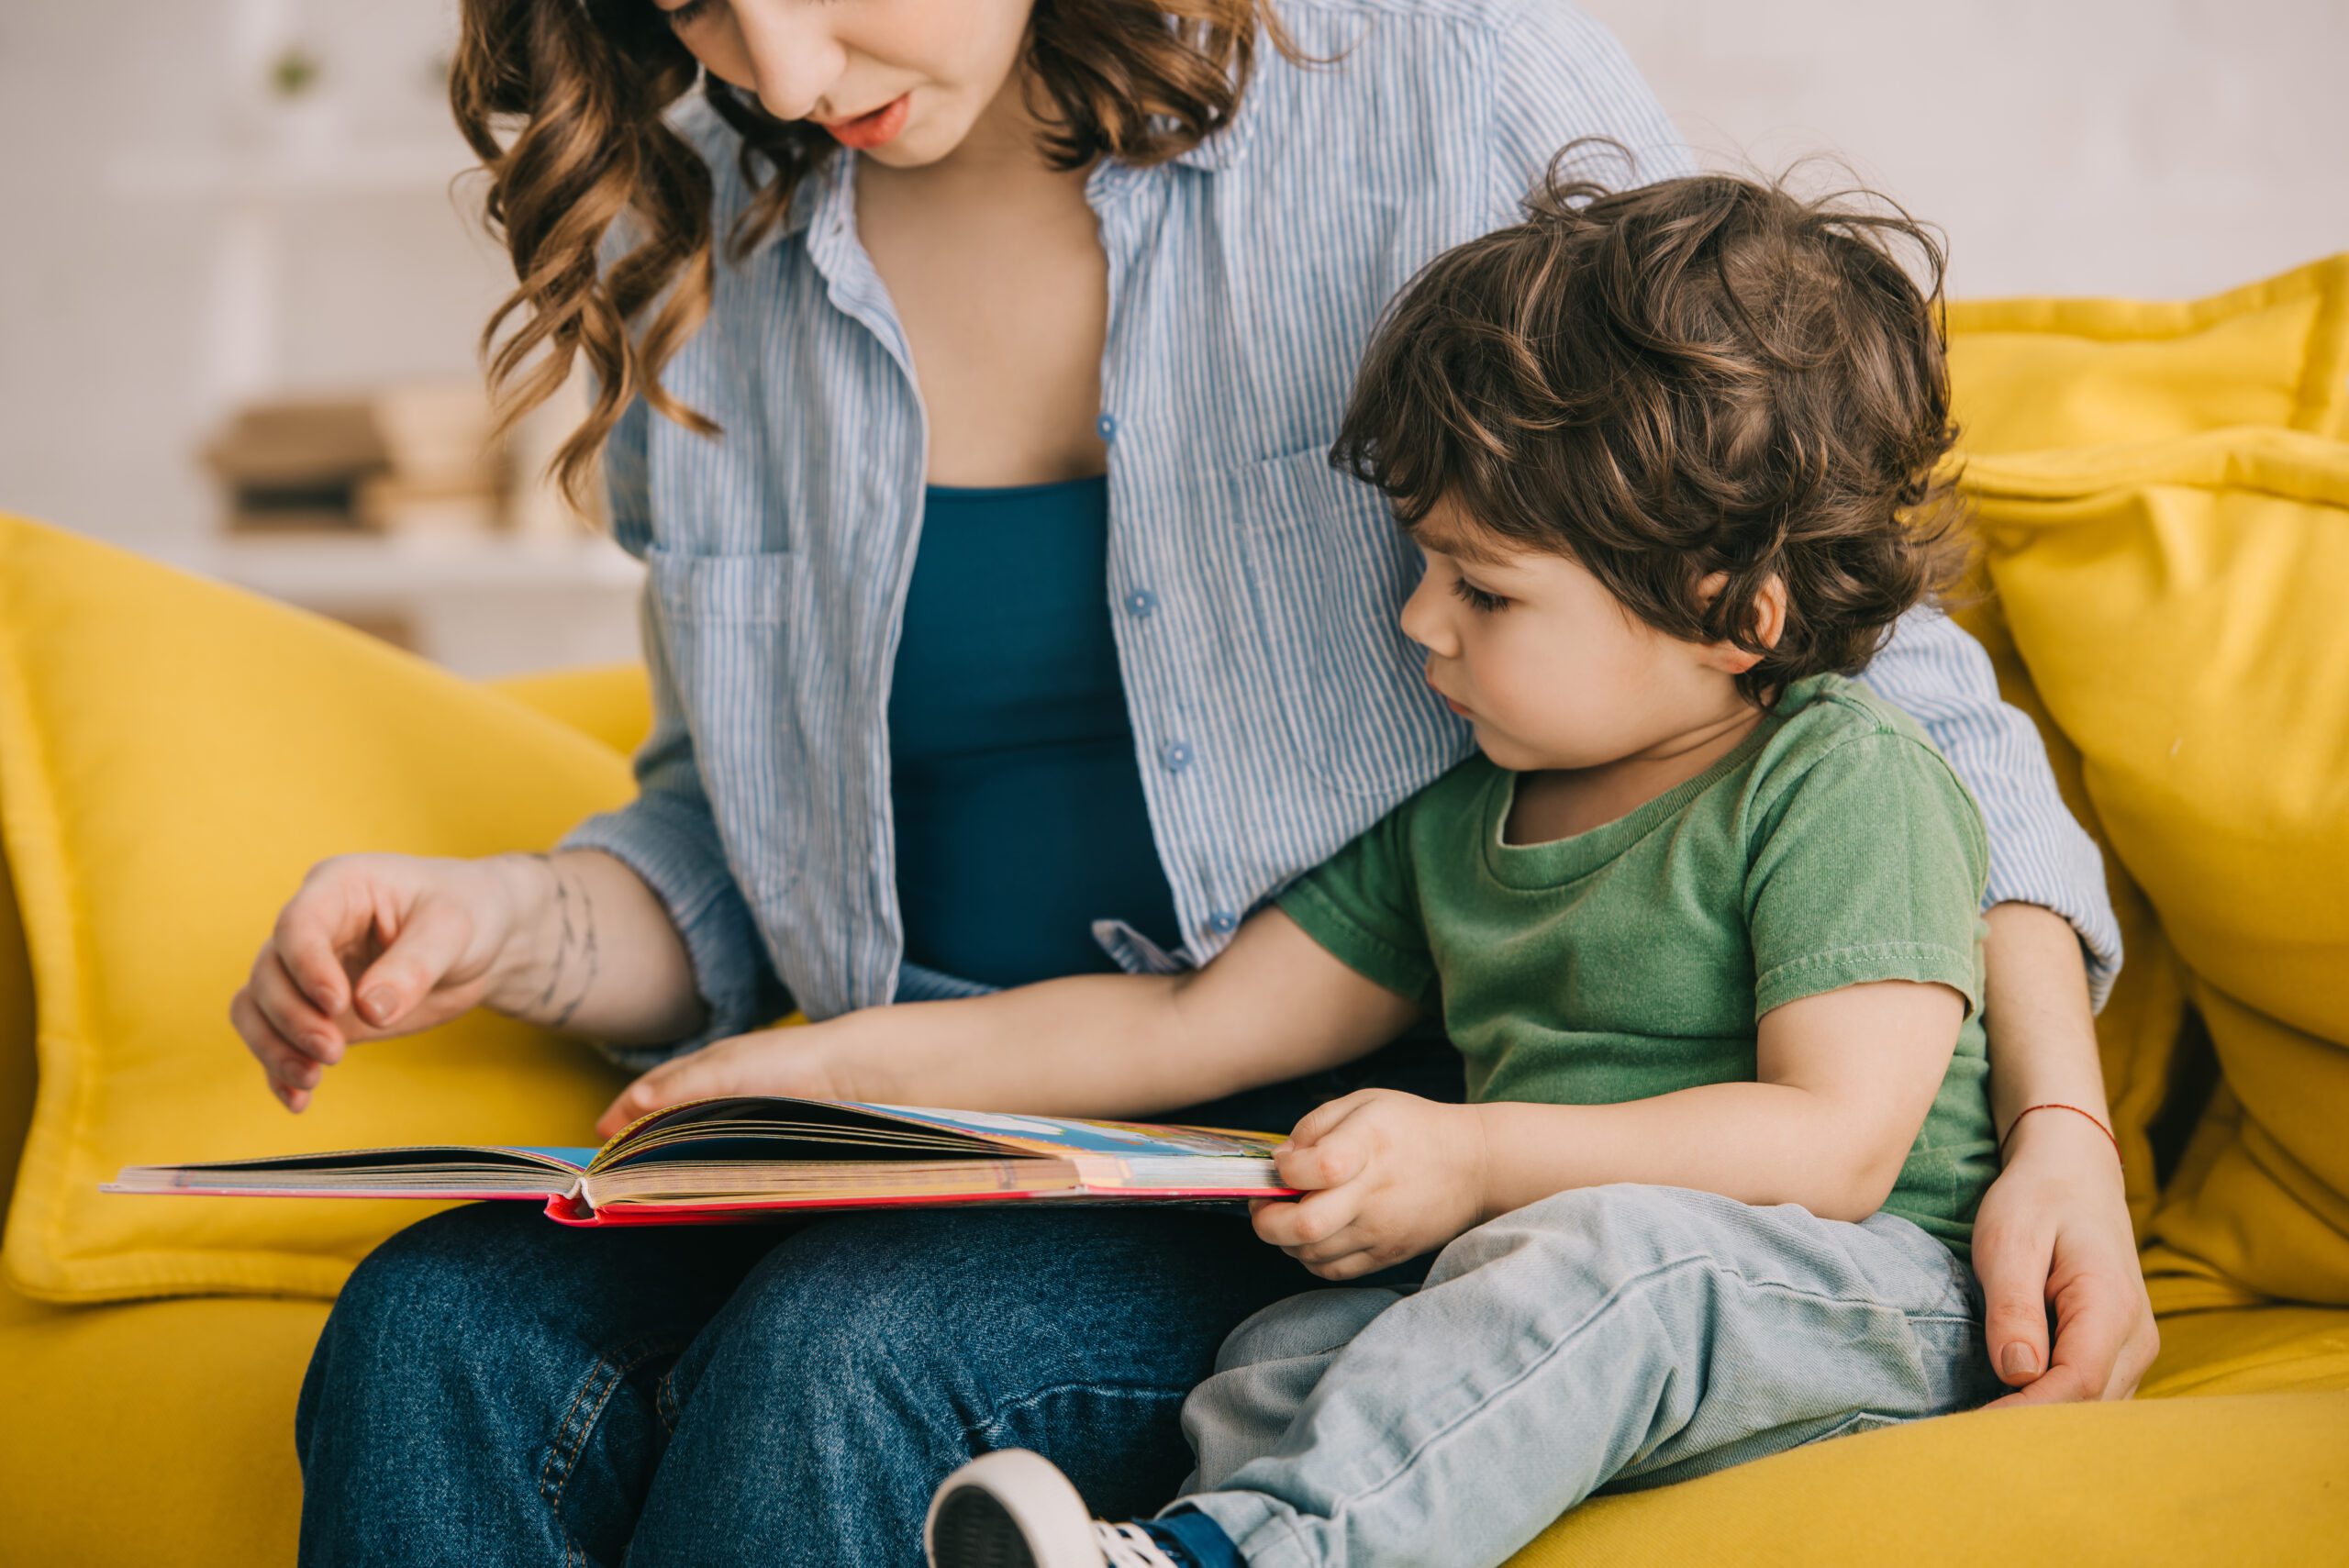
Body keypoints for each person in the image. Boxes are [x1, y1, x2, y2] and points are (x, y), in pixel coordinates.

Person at [241, 3, 2152, 1562]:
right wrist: (515, 921)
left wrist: (2057, 1127)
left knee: (851, 1355)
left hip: (1330, 1145)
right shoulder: (703, 228)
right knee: (435, 1328)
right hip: (936, 1113)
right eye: (690, 6)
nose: (784, 77)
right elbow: (730, 842)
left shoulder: (1422, 69)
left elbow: (1845, 641)